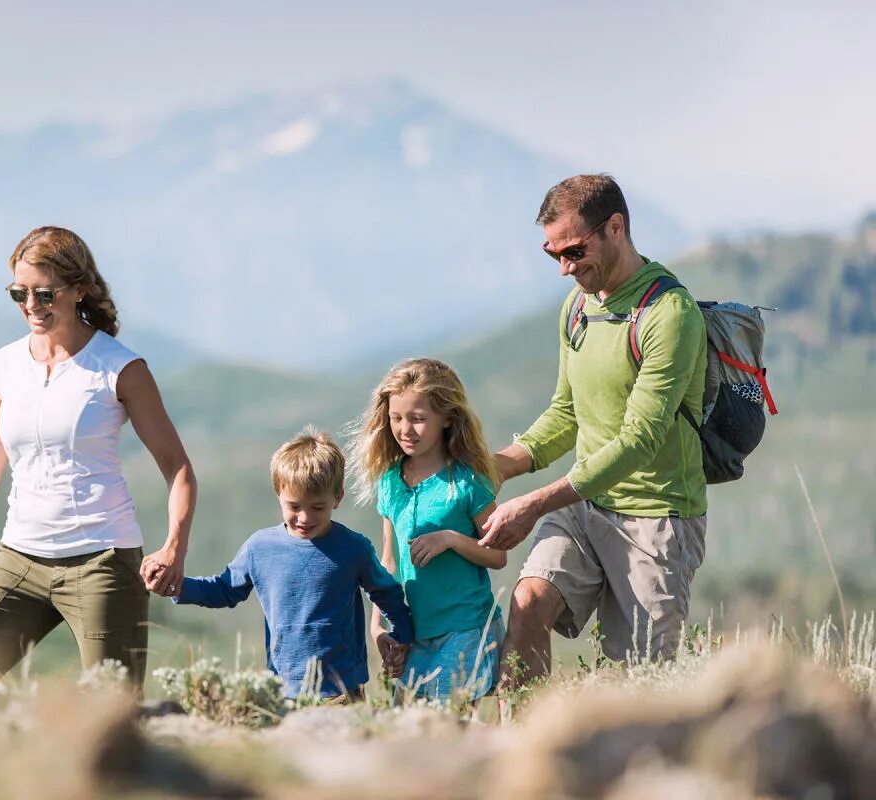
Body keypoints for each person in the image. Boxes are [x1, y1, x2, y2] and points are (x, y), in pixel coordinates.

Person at [0, 226, 196, 687]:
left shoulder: (121, 368)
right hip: (17, 560)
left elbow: (178, 467)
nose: (31, 307)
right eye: (19, 293)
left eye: (44, 294)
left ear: (79, 289)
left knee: (111, 719)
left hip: (103, 562)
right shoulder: (1, 369)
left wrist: (174, 547)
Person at [478, 174, 708, 686]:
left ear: (616, 227)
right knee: (527, 603)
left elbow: (640, 440)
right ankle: (520, 745)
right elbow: (566, 413)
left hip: (656, 518)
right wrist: (492, 467)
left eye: (575, 250)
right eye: (552, 254)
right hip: (585, 507)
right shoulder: (578, 308)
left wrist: (534, 502)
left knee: (638, 683)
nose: (565, 267)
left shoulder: (669, 313)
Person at [170, 429, 413, 700]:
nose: (305, 517)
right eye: (294, 506)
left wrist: (402, 635)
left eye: (318, 507)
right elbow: (224, 590)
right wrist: (176, 586)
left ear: (338, 497)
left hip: (343, 692)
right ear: (278, 494)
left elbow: (387, 593)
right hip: (282, 690)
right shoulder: (259, 548)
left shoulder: (353, 548)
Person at [350, 358, 506, 700]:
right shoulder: (390, 482)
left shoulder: (467, 482)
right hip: (414, 632)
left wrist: (451, 540)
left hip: (465, 628)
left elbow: (497, 555)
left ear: (447, 418)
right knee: (408, 729)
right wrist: (379, 627)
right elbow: (389, 563)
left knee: (452, 726)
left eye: (418, 419)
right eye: (396, 418)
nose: (405, 429)